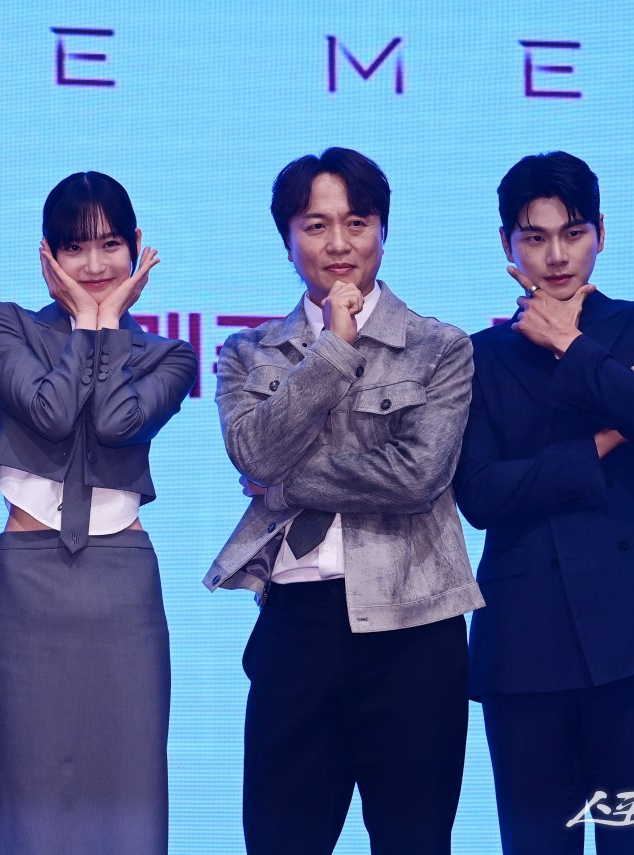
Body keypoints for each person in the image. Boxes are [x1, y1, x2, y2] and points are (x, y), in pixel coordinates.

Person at [452, 150, 634, 854]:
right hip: (527, 634)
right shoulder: (478, 356)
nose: (556, 256)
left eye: (573, 232)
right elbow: (483, 494)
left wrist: (569, 342)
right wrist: (611, 433)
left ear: (601, 233)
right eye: (534, 237)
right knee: (536, 843)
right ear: (506, 243)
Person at [205, 147, 484, 855]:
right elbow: (251, 453)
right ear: (287, 238)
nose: (338, 243)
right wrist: (333, 347)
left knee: (414, 840)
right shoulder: (247, 353)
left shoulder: (439, 347)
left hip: (414, 625)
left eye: (356, 223)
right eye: (315, 225)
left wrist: (283, 482)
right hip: (296, 624)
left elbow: (416, 476)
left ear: (383, 230)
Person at [0, 171, 197, 855]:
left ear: (136, 246)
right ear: (47, 254)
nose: (95, 264)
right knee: (25, 790)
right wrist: (87, 326)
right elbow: (50, 411)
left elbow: (114, 421)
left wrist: (105, 327)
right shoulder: (5, 325)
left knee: (126, 791)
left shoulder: (171, 354)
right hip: (27, 581)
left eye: (109, 244)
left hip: (122, 586)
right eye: (74, 247)